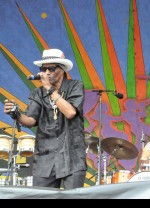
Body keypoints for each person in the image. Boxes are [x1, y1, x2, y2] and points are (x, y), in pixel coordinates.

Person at [3, 48, 87, 189]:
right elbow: (30, 121)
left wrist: (49, 89)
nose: (46, 72)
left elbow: (70, 113)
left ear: (62, 69)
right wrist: (15, 113)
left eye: (51, 68)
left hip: (71, 157)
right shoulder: (37, 93)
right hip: (45, 159)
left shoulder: (75, 86)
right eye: (43, 68)